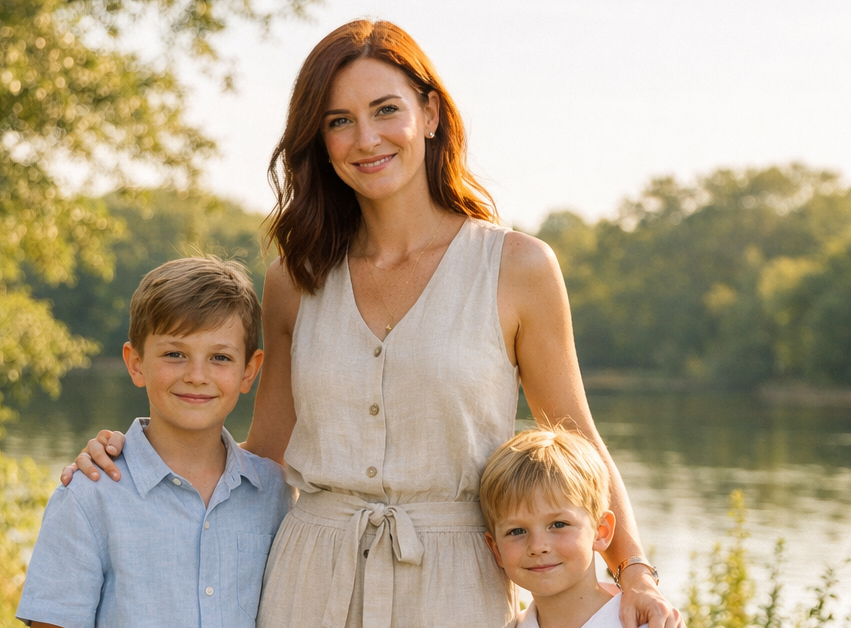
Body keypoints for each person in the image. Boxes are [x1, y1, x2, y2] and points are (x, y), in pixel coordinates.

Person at [64, 19, 683, 628]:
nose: (366, 139)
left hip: (458, 586)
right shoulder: (293, 279)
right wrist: (135, 459)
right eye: (339, 121)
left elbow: (577, 439)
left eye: (386, 110)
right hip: (306, 583)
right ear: (320, 140)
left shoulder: (517, 267)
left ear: (431, 115)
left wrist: (633, 571)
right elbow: (264, 457)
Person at [17, 257, 294, 628]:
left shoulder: (273, 492)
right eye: (175, 354)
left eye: (220, 357)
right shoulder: (90, 493)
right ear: (135, 363)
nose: (197, 375)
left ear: (249, 371)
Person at [481, 428, 648, 628]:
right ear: (496, 549)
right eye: (516, 531)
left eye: (559, 524)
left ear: (601, 530)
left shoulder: (645, 623)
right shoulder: (510, 625)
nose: (538, 546)